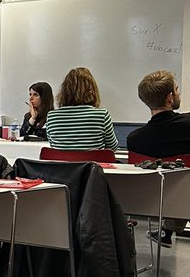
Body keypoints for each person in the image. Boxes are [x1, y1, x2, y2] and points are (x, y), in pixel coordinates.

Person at [127, 71, 190, 245]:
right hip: (185, 200)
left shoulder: (134, 139)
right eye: (177, 90)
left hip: (152, 203)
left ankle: (165, 232)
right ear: (170, 98)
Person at [45, 68, 118, 151]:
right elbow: (112, 148)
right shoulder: (102, 115)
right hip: (91, 163)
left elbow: (53, 145)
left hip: (62, 164)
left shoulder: (51, 116)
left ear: (64, 90)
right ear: (92, 90)